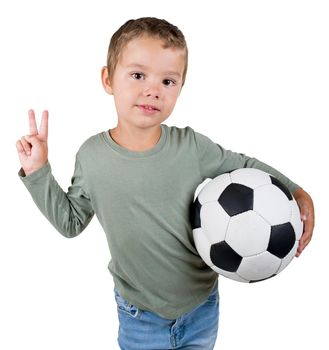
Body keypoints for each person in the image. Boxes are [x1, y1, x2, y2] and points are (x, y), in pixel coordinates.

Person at [16, 17, 314, 350]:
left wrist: (298, 192)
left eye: (168, 81)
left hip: (201, 309)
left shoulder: (192, 148)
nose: (153, 90)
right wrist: (38, 170)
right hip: (139, 315)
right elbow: (70, 223)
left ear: (181, 88)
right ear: (108, 79)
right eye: (138, 75)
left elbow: (244, 165)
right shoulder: (92, 156)